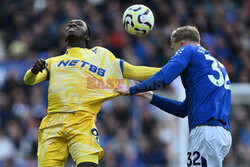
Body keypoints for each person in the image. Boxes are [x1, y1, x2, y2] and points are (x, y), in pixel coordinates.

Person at [23, 19, 160, 167]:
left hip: (82, 121)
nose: (72, 25)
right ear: (65, 38)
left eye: (78, 24)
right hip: (52, 123)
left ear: (87, 37)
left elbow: (134, 71)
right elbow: (29, 80)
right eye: (69, 24)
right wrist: (34, 70)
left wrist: (174, 70)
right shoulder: (53, 61)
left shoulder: (101, 56)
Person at [116, 26, 232, 167]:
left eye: (174, 49)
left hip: (205, 132)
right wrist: (149, 96)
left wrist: (132, 90)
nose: (175, 54)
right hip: (222, 134)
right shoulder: (216, 65)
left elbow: (164, 77)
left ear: (182, 44)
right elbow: (183, 110)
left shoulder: (188, 50)